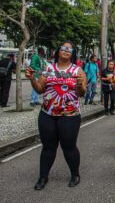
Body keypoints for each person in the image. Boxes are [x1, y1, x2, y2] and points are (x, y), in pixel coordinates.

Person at [25, 41, 87, 190]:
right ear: (58, 51)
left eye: (69, 49)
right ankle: (43, 177)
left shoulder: (78, 70)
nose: (66, 51)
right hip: (47, 113)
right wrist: (32, 79)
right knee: (48, 147)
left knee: (69, 147)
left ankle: (75, 174)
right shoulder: (48, 68)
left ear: (72, 53)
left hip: (70, 115)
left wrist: (79, 85)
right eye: (63, 48)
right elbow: (40, 89)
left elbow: (81, 93)